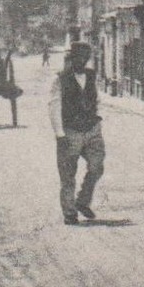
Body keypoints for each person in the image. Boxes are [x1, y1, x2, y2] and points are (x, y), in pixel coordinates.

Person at [49, 41, 106, 225]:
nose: (82, 61)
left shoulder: (91, 75)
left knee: (97, 166)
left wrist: (96, 118)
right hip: (70, 131)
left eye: (85, 58)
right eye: (78, 57)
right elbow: (54, 106)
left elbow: (95, 98)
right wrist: (60, 134)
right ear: (71, 58)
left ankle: (82, 200)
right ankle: (70, 212)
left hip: (91, 129)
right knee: (67, 174)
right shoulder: (60, 79)